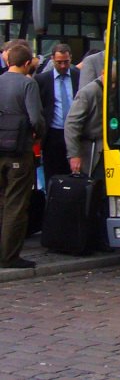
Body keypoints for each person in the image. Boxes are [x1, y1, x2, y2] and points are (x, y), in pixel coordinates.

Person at [0, 44, 44, 268]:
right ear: (27, 64)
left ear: (8, 61)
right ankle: (9, 256)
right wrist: (39, 136)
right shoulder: (28, 83)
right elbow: (35, 118)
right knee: (16, 204)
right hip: (19, 150)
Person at [64, 69, 111, 252]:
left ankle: (103, 237)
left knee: (105, 194)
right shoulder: (88, 92)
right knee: (96, 194)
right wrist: (74, 154)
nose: (113, 86)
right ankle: (93, 237)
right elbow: (72, 124)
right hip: (92, 151)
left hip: (107, 149)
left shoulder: (118, 90)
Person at [35, 44, 80, 186]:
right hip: (53, 135)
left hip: (74, 133)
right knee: (52, 177)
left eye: (66, 62)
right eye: (59, 62)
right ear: (52, 59)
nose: (62, 66)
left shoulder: (78, 77)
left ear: (70, 58)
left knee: (74, 175)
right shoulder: (42, 80)